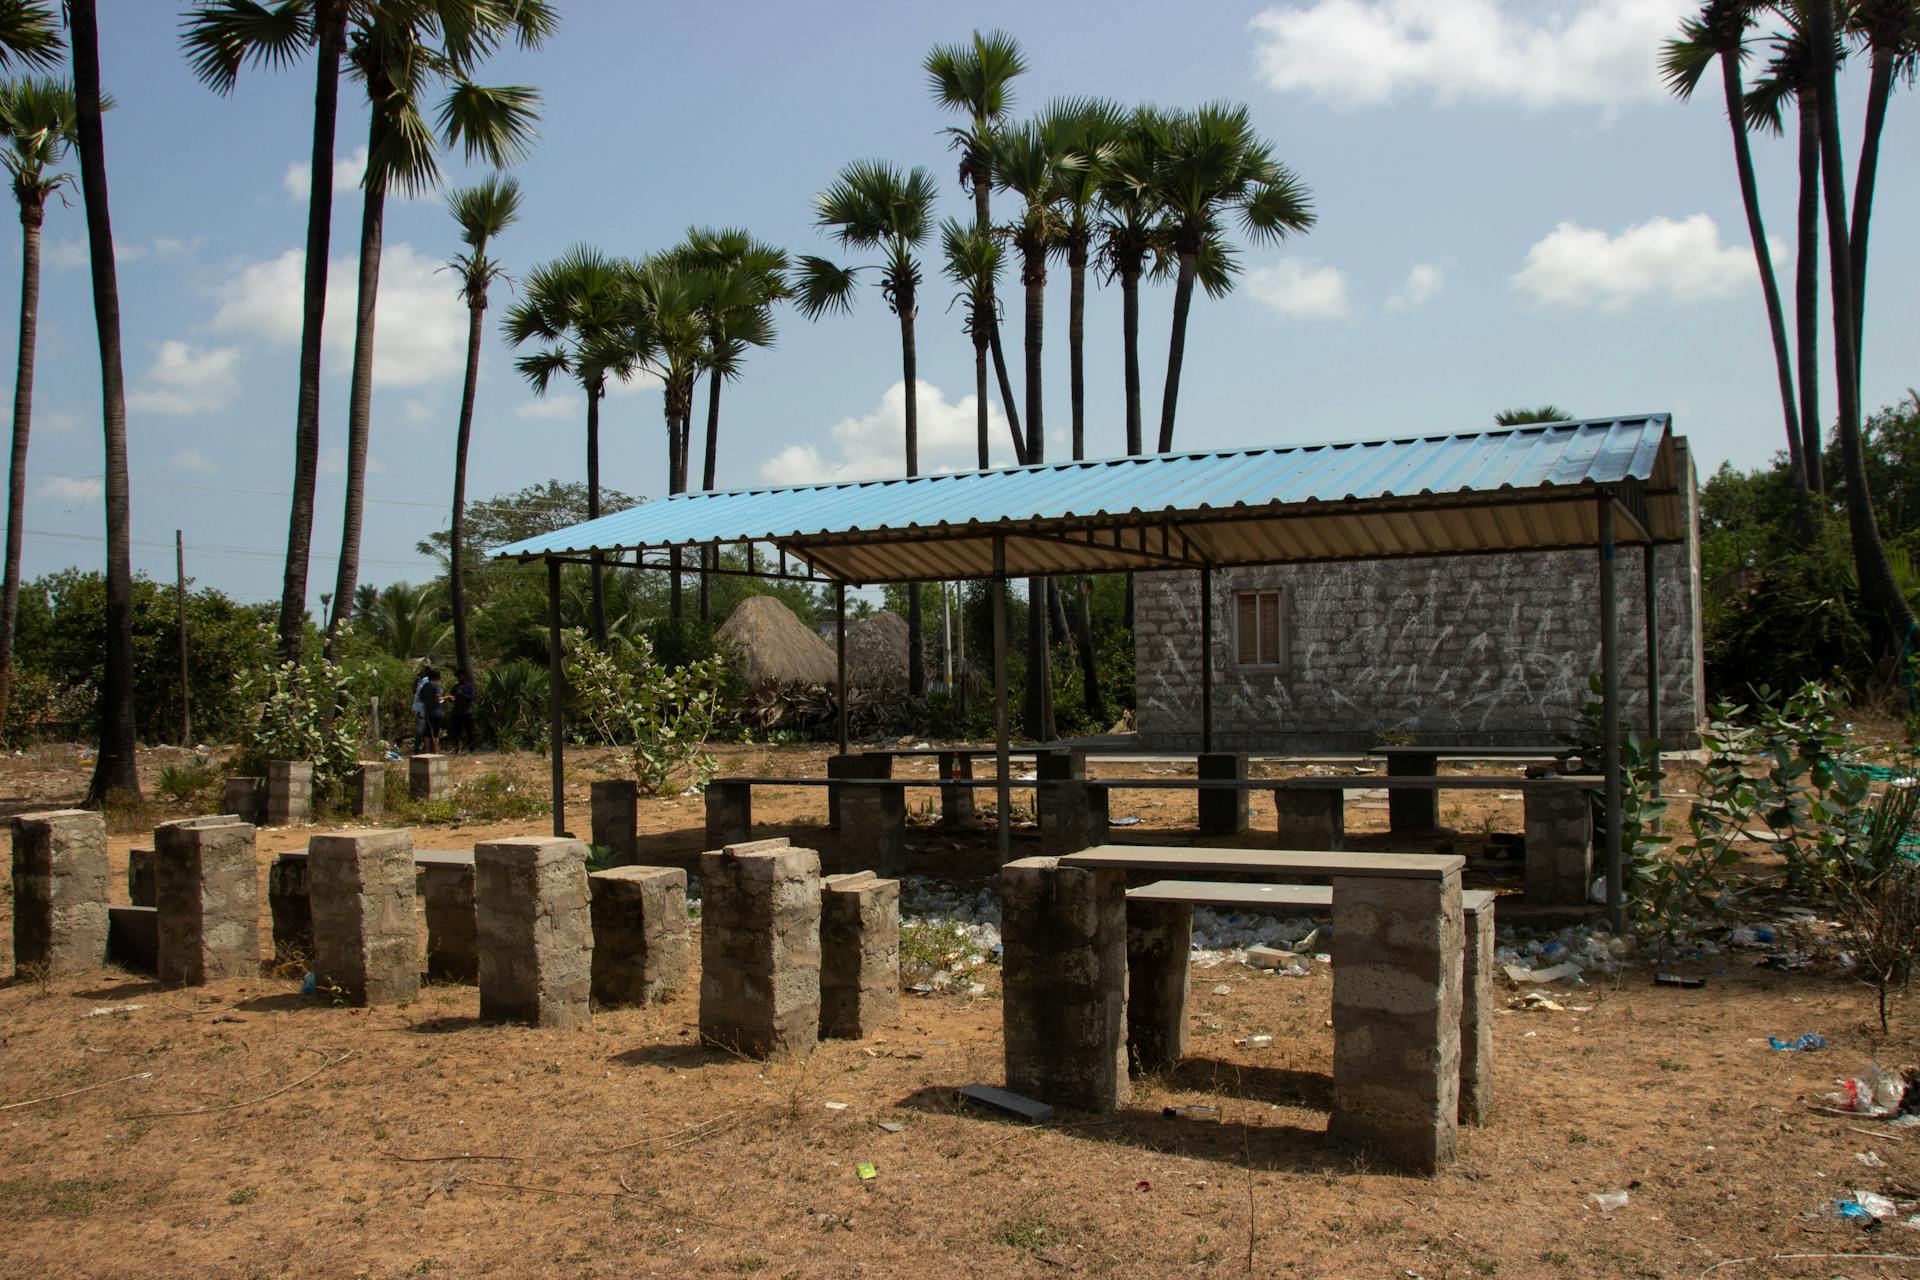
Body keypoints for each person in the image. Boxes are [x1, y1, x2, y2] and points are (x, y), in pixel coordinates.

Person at [414, 666, 444, 755]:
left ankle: (427, 750)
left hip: (427, 712)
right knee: (436, 732)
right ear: (437, 678)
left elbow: (420, 698)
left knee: (427, 732)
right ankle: (436, 750)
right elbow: (438, 698)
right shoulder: (436, 686)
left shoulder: (425, 686)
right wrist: (447, 697)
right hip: (437, 712)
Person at [449, 668, 477, 753]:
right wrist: (452, 698)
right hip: (457, 712)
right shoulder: (455, 687)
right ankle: (457, 748)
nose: (459, 678)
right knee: (457, 731)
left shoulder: (469, 686)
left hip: (467, 712)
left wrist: (462, 695)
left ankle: (471, 748)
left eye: (460, 676)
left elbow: (473, 698)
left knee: (469, 731)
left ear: (464, 676)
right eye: (458, 677)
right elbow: (451, 698)